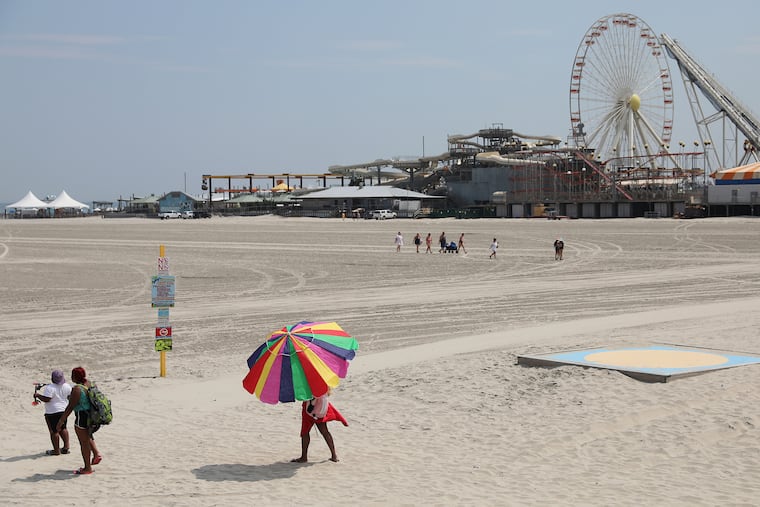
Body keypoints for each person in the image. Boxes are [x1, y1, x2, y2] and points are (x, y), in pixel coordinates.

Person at [57, 367, 102, 475]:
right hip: (93, 416)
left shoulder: (77, 389)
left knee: (84, 443)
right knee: (87, 437)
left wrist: (61, 421)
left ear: (75, 377)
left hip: (82, 417)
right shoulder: (90, 384)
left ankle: (87, 468)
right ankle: (96, 454)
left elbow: (70, 407)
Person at [291, 393, 348, 463]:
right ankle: (334, 456)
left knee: (305, 432)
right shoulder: (324, 385)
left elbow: (308, 392)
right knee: (325, 432)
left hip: (309, 408)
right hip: (320, 408)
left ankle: (304, 457)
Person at [34, 369, 71, 456]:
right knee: (63, 428)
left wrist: (38, 395)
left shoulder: (50, 388)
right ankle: (66, 448)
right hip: (63, 410)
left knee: (54, 431)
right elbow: (69, 397)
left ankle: (56, 451)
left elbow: (47, 399)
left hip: (52, 412)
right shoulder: (67, 386)